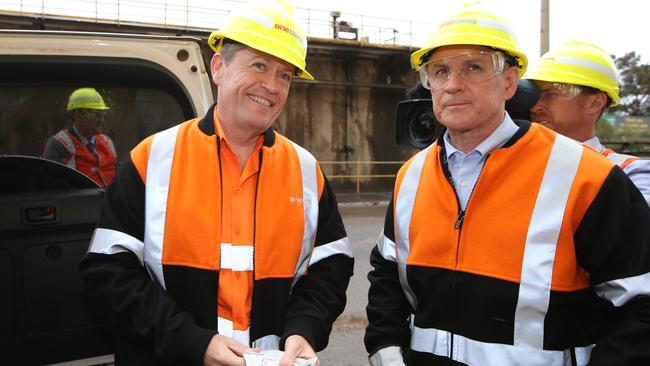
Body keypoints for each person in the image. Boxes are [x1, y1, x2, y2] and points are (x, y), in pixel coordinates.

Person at [364, 3, 650, 366]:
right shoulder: (412, 176)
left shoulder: (585, 175)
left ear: (510, 82)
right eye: (440, 71)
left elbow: (640, 306)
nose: (453, 84)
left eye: (473, 67)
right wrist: (384, 345)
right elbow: (388, 272)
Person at [79, 1, 354, 365]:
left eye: (285, 75)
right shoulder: (153, 158)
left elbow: (331, 267)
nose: (271, 85)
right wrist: (190, 341)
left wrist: (305, 328)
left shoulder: (305, 170)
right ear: (218, 67)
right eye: (259, 65)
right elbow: (107, 269)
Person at [526, 41, 650, 205]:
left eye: (550, 94)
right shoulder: (515, 163)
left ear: (595, 103)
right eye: (535, 95)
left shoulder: (630, 172)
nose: (535, 107)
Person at [42, 87, 116, 187]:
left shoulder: (107, 142)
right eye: (97, 115)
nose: (102, 120)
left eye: (102, 115)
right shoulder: (59, 144)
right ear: (79, 115)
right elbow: (49, 184)